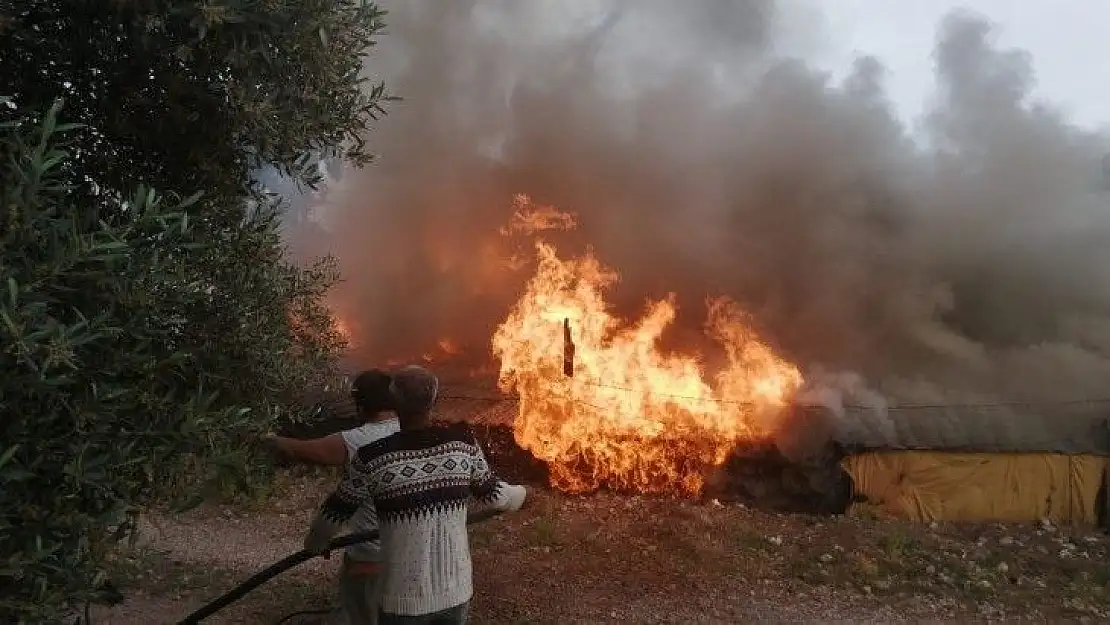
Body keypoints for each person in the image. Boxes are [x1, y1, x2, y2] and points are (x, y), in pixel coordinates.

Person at [304, 365, 527, 625]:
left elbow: (335, 512)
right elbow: (496, 495)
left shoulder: (372, 458)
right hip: (455, 593)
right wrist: (524, 494)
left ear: (394, 403)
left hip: (403, 602)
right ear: (433, 401)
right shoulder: (462, 444)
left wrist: (315, 543)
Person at [266, 369, 399, 625]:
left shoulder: (358, 442)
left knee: (362, 613)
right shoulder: (414, 432)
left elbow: (302, 451)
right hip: (412, 551)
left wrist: (268, 439)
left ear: (359, 406)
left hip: (370, 558)